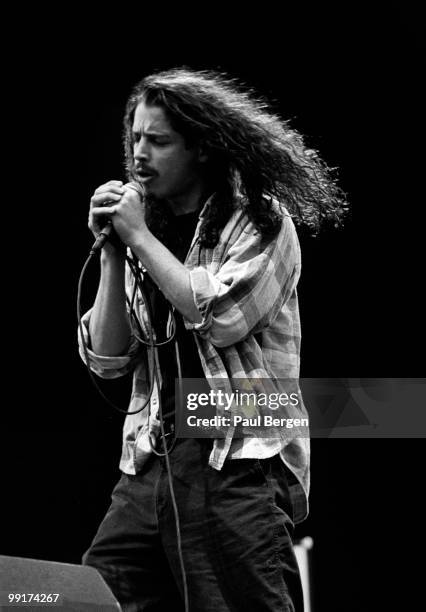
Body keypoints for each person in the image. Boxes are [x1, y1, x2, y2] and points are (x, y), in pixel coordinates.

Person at [78, 67, 347, 612]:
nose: (139, 155)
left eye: (158, 141)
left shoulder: (262, 222)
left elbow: (220, 316)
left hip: (237, 455)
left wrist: (137, 237)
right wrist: (112, 250)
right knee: (98, 594)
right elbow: (108, 360)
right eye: (134, 139)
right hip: (150, 456)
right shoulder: (140, 233)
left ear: (200, 148)